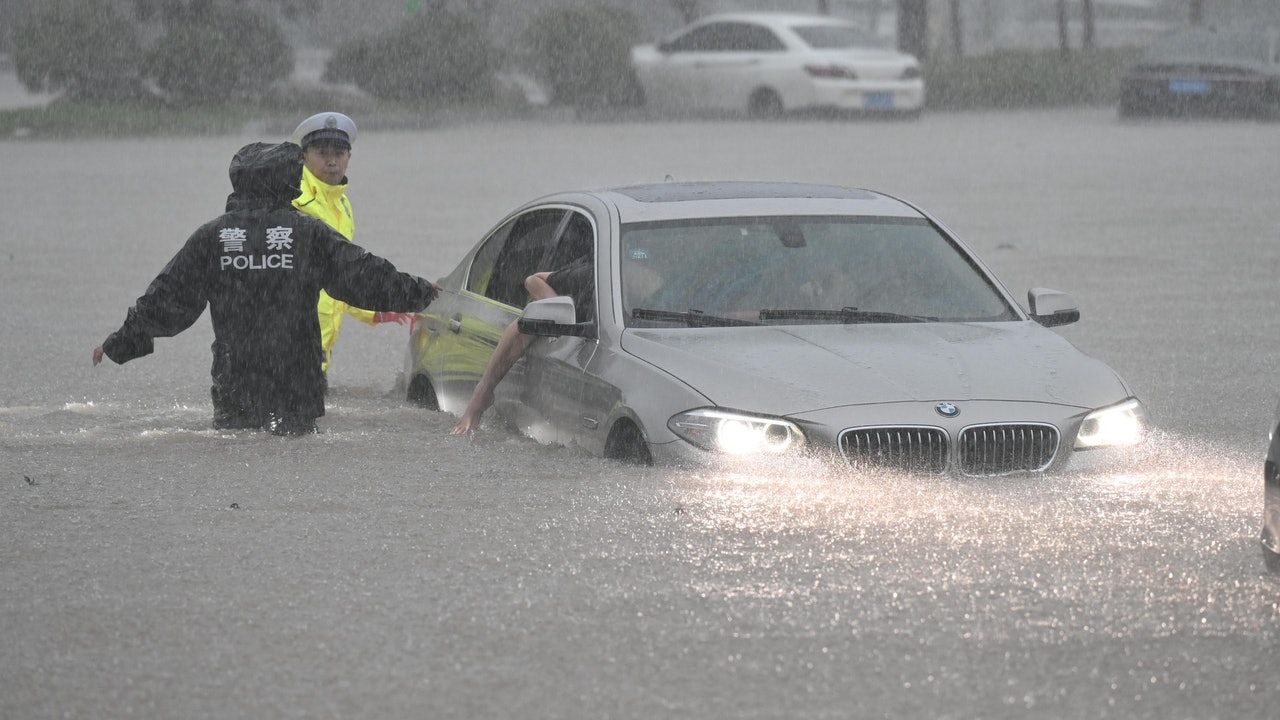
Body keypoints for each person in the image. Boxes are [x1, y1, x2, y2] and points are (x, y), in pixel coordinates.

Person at [92, 141, 440, 436]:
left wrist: (121, 341)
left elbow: (168, 298)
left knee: (238, 452)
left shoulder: (213, 236)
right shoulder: (307, 233)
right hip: (297, 378)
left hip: (235, 379)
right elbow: (365, 275)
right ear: (288, 180)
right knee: (296, 459)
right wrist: (424, 294)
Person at [290, 111, 410, 374]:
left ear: (349, 157)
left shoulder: (342, 205)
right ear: (303, 156)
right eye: (322, 153)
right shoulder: (293, 202)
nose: (332, 161)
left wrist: (374, 310)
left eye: (339, 153)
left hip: (318, 346)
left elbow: (342, 274)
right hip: (291, 342)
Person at [451, 255, 594, 435]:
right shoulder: (590, 275)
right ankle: (481, 395)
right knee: (527, 323)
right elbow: (533, 280)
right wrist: (555, 308)